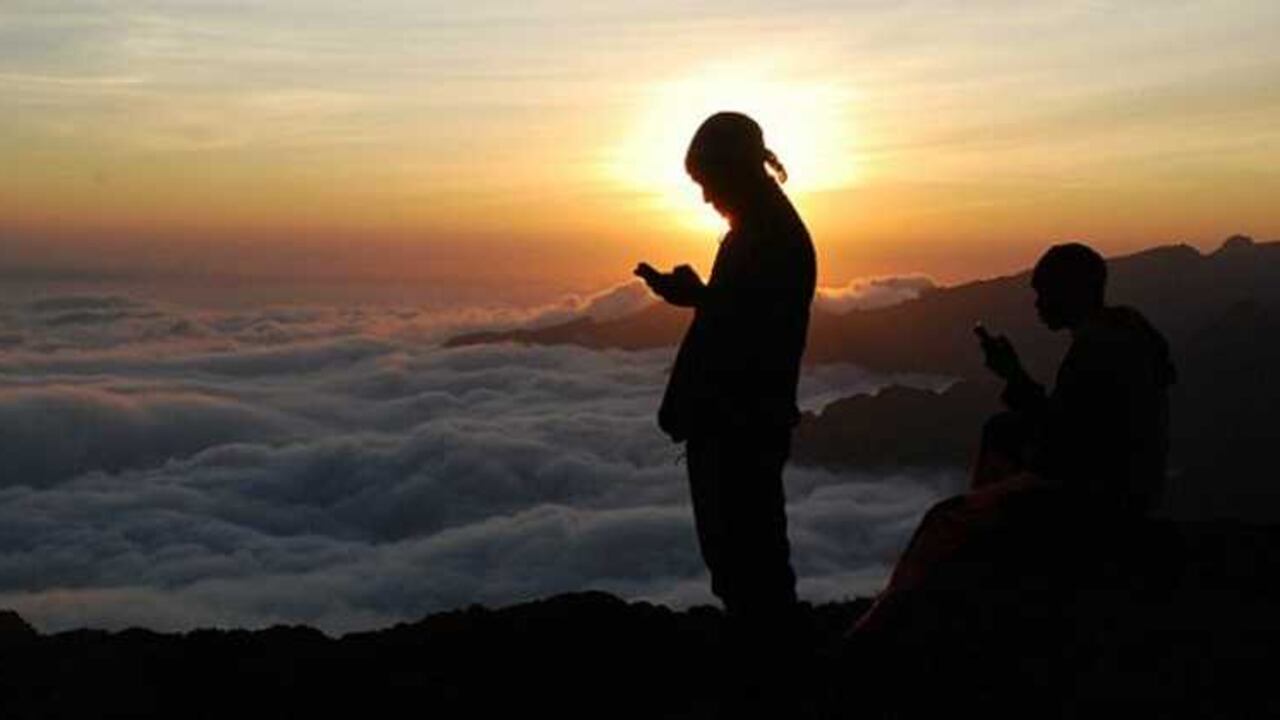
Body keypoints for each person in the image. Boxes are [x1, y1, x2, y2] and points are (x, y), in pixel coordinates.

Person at [851, 242, 1176, 638]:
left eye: (1044, 293)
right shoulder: (1124, 332)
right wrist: (1015, 379)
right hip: (1130, 485)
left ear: (1072, 291)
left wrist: (1014, 376)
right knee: (1004, 429)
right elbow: (1075, 426)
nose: (1037, 304)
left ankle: (882, 629)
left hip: (1101, 498)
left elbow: (1063, 446)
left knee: (944, 519)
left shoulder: (1096, 349)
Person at [635, 112, 817, 637]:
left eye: (708, 181)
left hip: (742, 423)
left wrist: (700, 298)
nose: (705, 197)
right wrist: (700, 297)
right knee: (743, 557)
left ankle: (772, 659)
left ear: (736, 169)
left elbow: (755, 329)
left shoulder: (771, 236)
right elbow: (745, 313)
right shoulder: (759, 229)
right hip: (739, 419)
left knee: (748, 559)